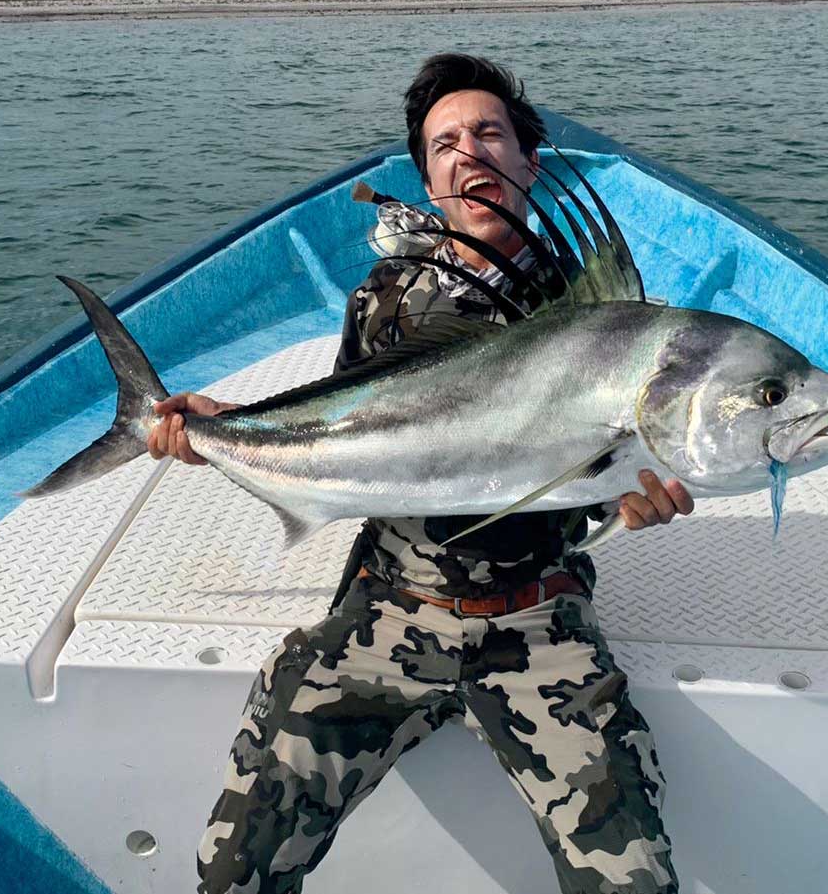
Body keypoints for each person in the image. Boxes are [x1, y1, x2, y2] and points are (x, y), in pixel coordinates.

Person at [150, 54, 693, 894]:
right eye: (445, 143)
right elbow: (335, 431)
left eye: (488, 133)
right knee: (232, 872)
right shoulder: (383, 301)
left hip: (538, 619)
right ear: (427, 176)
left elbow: (588, 484)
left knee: (636, 884)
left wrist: (629, 497)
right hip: (388, 611)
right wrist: (224, 431)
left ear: (528, 161)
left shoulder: (599, 315)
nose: (469, 152)